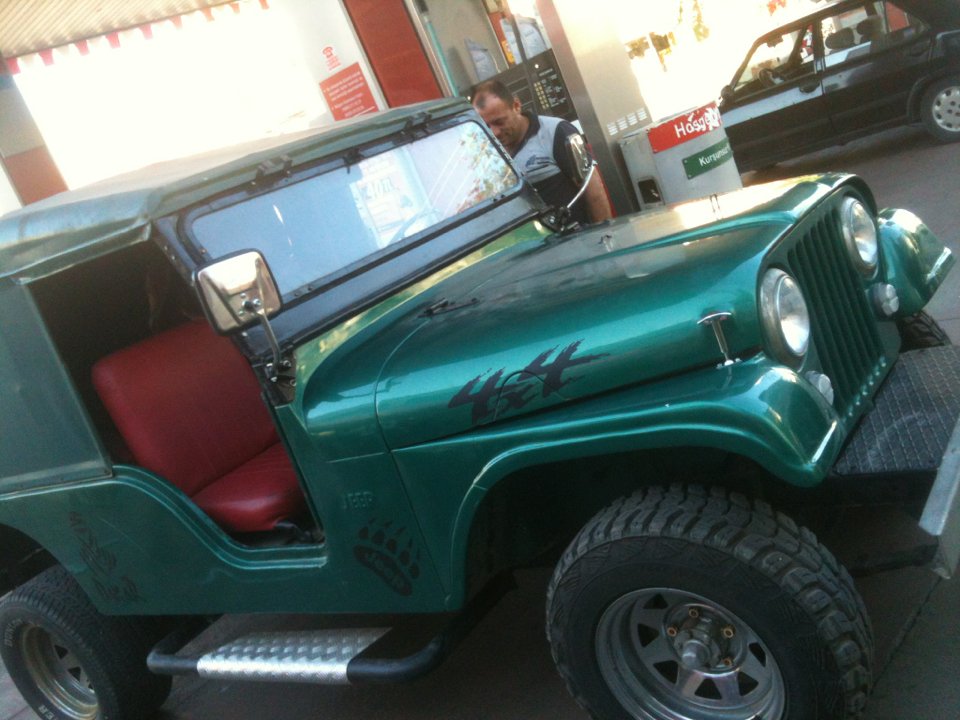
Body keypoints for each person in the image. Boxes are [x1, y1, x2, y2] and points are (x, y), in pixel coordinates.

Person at [471, 80, 612, 225]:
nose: (495, 132)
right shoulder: (485, 152)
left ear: (516, 106)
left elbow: (594, 192)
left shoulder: (556, 132)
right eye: (486, 126)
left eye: (500, 122)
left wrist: (603, 233)